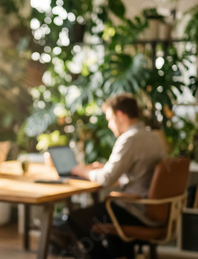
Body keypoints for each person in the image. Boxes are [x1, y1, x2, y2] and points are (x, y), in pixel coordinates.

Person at [68, 93, 165, 259]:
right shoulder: (153, 136)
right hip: (152, 208)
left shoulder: (130, 139)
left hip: (135, 210)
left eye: (109, 119)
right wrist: (106, 168)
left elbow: (106, 179)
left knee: (75, 218)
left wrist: (81, 170)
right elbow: (138, 171)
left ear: (120, 115)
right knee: (103, 213)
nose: (109, 125)